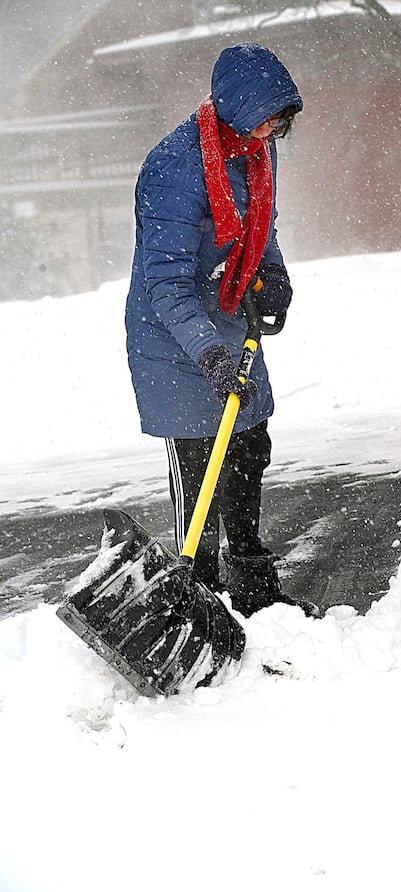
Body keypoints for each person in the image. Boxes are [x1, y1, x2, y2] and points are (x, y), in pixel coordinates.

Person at [125, 42, 318, 618]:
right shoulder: (174, 169)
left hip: (231, 317)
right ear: (237, 106)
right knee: (200, 472)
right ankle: (198, 600)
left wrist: (274, 277)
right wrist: (208, 352)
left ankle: (254, 591)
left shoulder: (256, 151)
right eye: (267, 115)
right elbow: (165, 285)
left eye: (282, 118)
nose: (275, 130)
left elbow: (264, 225)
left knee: (248, 450)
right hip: (172, 336)